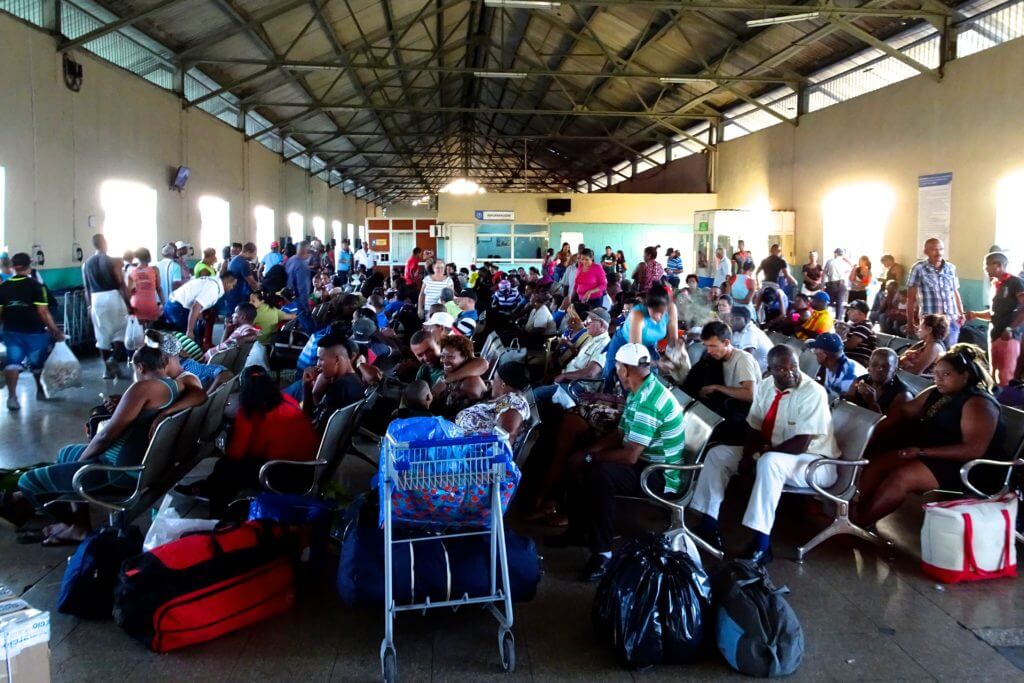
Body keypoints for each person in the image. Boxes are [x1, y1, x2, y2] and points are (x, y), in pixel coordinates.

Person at [4, 344, 204, 543]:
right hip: (146, 464)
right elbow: (197, 395)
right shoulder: (177, 385)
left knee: (27, 482)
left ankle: (67, 521)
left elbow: (105, 436)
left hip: (120, 472)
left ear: (141, 367)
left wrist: (82, 462)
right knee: (66, 452)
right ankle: (78, 526)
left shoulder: (142, 388)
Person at [690, 345, 838, 564]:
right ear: (769, 369)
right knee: (718, 454)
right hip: (776, 452)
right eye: (781, 368)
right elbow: (754, 427)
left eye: (794, 366)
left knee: (769, 463)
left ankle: (762, 544)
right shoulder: (767, 386)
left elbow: (801, 444)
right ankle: (708, 523)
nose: (790, 373)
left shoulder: (812, 392)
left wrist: (757, 459)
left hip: (816, 461)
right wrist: (747, 457)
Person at [550, 343, 685, 581]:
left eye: (618, 366)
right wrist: (587, 452)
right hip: (643, 459)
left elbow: (630, 454)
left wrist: (591, 457)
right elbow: (620, 433)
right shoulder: (639, 388)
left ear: (624, 369)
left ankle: (603, 554)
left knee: (600, 474)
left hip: (660, 473)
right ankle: (578, 530)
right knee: (578, 458)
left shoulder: (647, 401)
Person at [855, 345, 1007, 527]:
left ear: (964, 376)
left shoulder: (978, 403)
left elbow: (973, 449)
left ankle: (861, 522)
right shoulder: (937, 393)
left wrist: (921, 452)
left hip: (969, 466)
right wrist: (870, 430)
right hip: (932, 454)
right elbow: (903, 412)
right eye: (936, 374)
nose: (939, 379)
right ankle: (854, 513)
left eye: (946, 374)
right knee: (878, 463)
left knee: (902, 477)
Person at [180, 366, 317, 512]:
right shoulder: (287, 400)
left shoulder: (249, 411)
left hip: (282, 475)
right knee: (230, 466)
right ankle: (208, 489)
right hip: (309, 470)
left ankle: (217, 511)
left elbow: (235, 454)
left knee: (227, 467)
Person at [0, 253, 65, 410]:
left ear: (13, 267)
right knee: (37, 364)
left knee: (13, 364)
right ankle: (40, 391)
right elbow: (43, 312)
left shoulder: (3, 287)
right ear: (29, 266)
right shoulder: (37, 286)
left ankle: (12, 398)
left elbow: (0, 313)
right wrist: (55, 330)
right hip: (34, 331)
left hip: (12, 330)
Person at [966, 251, 1024, 387]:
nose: (985, 269)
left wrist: (1011, 328)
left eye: (987, 265)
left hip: (1009, 337)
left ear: (998, 265)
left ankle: (1007, 407)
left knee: (1006, 376)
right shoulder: (995, 284)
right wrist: (975, 314)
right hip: (994, 334)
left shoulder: (1016, 282)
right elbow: (994, 313)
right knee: (993, 374)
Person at [603, 284, 678, 389]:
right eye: (654, 312)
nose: (658, 317)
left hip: (648, 344)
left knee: (650, 379)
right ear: (647, 306)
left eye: (661, 313)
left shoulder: (672, 310)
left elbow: (673, 340)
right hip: (625, 344)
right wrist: (657, 363)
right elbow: (635, 355)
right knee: (621, 377)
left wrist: (675, 356)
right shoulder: (637, 314)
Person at [533, 308, 611, 407]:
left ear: (601, 325)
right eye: (586, 320)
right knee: (536, 387)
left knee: (536, 394)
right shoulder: (592, 338)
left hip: (578, 387)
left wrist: (565, 375)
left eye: (589, 321)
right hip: (570, 380)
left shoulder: (604, 344)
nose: (585, 323)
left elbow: (591, 373)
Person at [82, 234, 131, 378]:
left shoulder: (86, 264)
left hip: (96, 299)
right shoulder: (115, 261)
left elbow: (87, 288)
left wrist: (89, 306)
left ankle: (107, 370)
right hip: (113, 296)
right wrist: (129, 304)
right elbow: (121, 283)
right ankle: (113, 359)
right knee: (121, 331)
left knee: (101, 334)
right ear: (105, 243)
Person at [455, 361, 532, 444]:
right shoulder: (508, 399)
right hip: (460, 437)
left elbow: (506, 437)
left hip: (471, 449)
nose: (492, 382)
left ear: (503, 384)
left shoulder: (515, 403)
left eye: (495, 379)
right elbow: (494, 414)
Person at [302, 333, 367, 430]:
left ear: (337, 359)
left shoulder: (341, 387)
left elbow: (315, 427)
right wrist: (308, 387)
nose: (318, 364)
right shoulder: (352, 381)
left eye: (320, 359)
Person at [906, 238, 964, 345]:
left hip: (951, 320)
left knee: (949, 357)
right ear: (926, 252)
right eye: (934, 250)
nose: (938, 253)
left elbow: (955, 292)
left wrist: (961, 313)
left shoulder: (951, 268)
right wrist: (910, 323)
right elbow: (911, 299)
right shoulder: (919, 268)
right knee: (931, 354)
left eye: (941, 249)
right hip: (930, 323)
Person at [164, 272, 236, 342]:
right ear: (227, 282)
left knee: (185, 339)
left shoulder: (213, 281)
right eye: (233, 285)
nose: (232, 288)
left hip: (171, 305)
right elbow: (196, 307)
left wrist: (199, 314)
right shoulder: (213, 288)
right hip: (178, 309)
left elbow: (197, 302)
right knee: (190, 341)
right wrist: (190, 331)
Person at [845, 347, 913, 413]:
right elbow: (845, 408)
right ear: (869, 367)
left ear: (895, 371)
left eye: (885, 366)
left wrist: (872, 403)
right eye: (874, 364)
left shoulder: (903, 396)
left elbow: (886, 424)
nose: (879, 368)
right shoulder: (859, 381)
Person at [808, 332, 866, 398]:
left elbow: (846, 403)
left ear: (824, 355)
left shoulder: (850, 376)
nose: (814, 352)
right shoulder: (830, 365)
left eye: (815, 349)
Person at [729, 307, 772, 372]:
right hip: (752, 368)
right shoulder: (738, 329)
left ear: (746, 320)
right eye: (731, 318)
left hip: (763, 372)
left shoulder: (750, 332)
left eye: (737, 319)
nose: (733, 321)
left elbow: (746, 359)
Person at [126, 247, 162, 325]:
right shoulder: (155, 270)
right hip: (150, 305)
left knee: (138, 333)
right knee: (151, 333)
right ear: (149, 257)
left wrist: (128, 307)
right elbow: (159, 289)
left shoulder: (131, 271)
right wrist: (164, 303)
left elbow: (128, 292)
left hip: (136, 305)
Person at [225, 242, 259, 312]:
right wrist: (259, 293)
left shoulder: (235, 259)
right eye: (254, 254)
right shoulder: (243, 263)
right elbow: (252, 282)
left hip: (231, 293)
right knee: (239, 316)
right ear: (248, 252)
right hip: (236, 294)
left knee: (231, 316)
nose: (254, 256)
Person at [843, 299, 877, 367]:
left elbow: (851, 345)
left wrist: (840, 336)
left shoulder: (865, 325)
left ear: (861, 313)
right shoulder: (853, 326)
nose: (848, 312)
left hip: (859, 360)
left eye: (851, 310)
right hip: (849, 358)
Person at [822, 248, 852, 321]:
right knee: (839, 304)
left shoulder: (830, 261)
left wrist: (822, 285)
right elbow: (852, 267)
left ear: (835, 253)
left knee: (826, 302)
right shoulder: (844, 263)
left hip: (831, 285)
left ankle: (824, 319)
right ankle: (838, 320)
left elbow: (824, 274)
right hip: (842, 285)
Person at [286, 241, 312, 308]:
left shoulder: (291, 260)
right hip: (299, 302)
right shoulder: (303, 265)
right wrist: (306, 307)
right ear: (306, 251)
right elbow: (303, 288)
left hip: (288, 299)